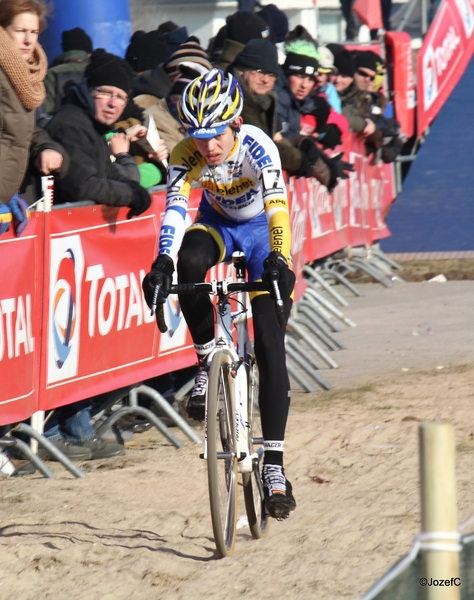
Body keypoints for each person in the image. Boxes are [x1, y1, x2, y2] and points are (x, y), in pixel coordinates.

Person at [142, 69, 296, 520]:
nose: (208, 146)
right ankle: (207, 355)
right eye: (198, 135)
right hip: (218, 225)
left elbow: (277, 208)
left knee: (269, 342)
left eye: (215, 135)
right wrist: (162, 262)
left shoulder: (257, 145)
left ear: (235, 122)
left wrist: (280, 260)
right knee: (188, 264)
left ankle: (275, 466)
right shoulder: (185, 152)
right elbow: (174, 210)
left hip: (262, 232)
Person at [47, 48, 167, 209]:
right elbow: (82, 187)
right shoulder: (72, 126)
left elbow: (106, 171)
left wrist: (133, 187)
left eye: (120, 97)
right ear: (88, 91)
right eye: (105, 92)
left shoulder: (95, 125)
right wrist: (129, 194)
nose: (112, 103)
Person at [0, 0, 66, 223]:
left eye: (34, 32)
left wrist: (47, 148)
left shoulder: (24, 77)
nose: (28, 40)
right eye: (20, 31)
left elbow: (20, 130)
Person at [41, 27, 93, 116]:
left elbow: (46, 109)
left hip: (60, 125)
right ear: (88, 51)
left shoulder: (52, 72)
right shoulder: (97, 71)